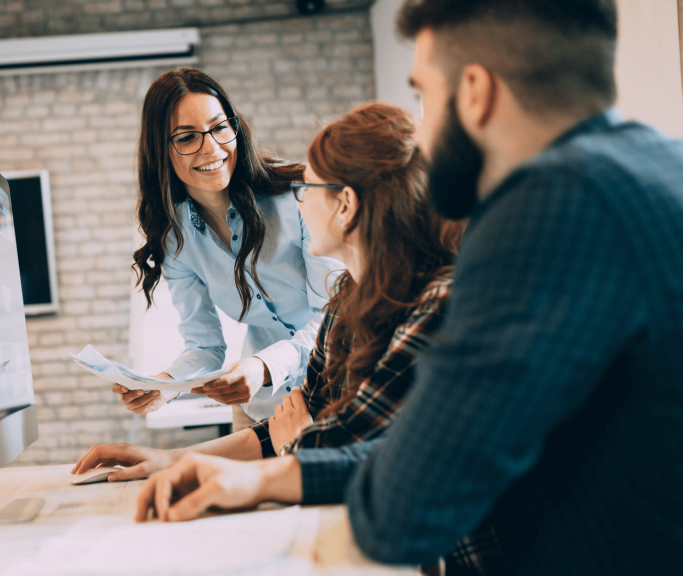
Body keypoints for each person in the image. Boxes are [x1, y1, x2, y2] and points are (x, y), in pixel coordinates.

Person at [133, 1, 683, 574]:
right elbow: (436, 449)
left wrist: (294, 453)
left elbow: (404, 497)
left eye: (423, 94)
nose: (420, 134)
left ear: (475, 92)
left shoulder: (539, 216)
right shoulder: (663, 168)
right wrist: (265, 469)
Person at [79, 103, 501, 573]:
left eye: (308, 188)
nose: (298, 200)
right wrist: (171, 458)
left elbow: (345, 452)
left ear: (346, 205)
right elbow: (305, 429)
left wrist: (291, 446)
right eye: (187, 137)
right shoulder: (344, 308)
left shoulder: (441, 307)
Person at [118, 67, 335, 427]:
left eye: (219, 127)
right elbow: (204, 346)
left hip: (339, 390)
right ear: (161, 150)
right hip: (263, 408)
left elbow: (333, 318)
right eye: (187, 137)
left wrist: (264, 367)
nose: (212, 148)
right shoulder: (175, 239)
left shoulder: (299, 195)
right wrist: (166, 385)